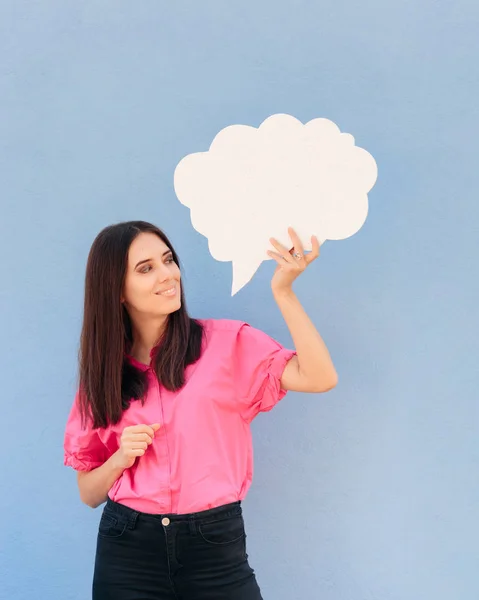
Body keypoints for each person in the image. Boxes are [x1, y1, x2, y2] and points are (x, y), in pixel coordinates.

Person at [64, 220, 338, 600]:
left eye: (168, 260)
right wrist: (120, 459)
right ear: (117, 291)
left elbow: (320, 377)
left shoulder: (227, 344)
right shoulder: (103, 376)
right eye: (146, 269)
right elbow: (88, 493)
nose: (168, 275)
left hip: (214, 547)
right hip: (127, 552)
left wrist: (284, 291)